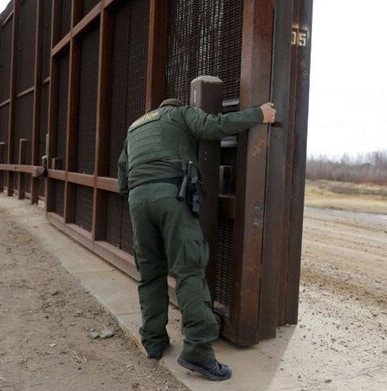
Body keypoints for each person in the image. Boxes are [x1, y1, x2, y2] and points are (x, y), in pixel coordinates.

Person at [117, 98, 276, 381]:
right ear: (174, 105)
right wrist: (258, 114)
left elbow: (122, 176)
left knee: (150, 273)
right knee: (189, 269)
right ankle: (198, 352)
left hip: (138, 201)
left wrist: (143, 194)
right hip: (171, 194)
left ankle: (153, 341)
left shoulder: (135, 126)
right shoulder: (180, 114)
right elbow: (214, 126)